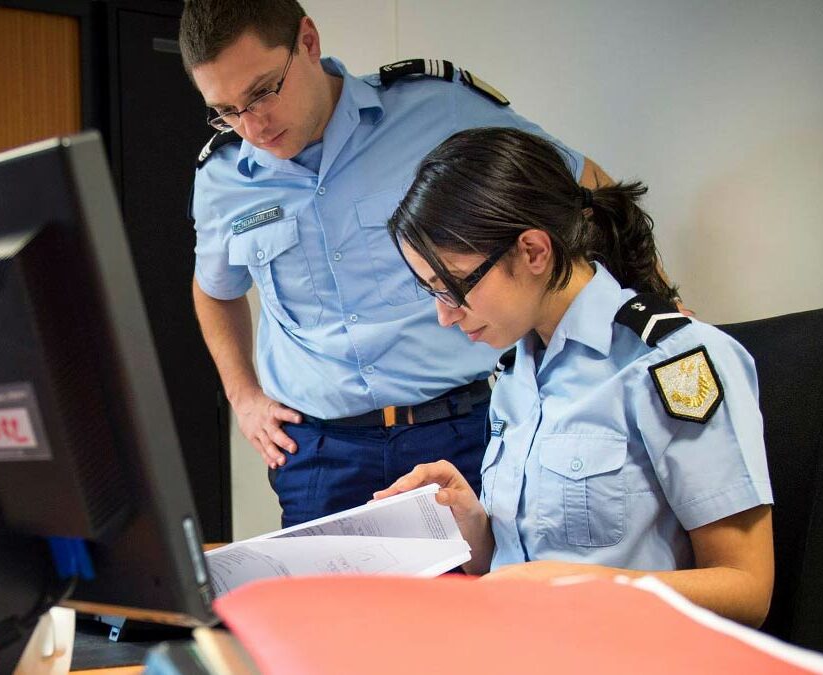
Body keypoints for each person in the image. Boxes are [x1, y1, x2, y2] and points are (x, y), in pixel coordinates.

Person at [180, 0, 615, 526]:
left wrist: (651, 312)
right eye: (226, 111)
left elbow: (587, 184)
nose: (252, 126)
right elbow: (215, 289)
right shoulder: (223, 176)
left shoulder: (438, 109)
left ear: (308, 42)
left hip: (461, 429)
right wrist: (243, 397)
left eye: (262, 91)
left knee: (492, 579)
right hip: (320, 454)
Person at [374, 127, 774, 627]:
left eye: (454, 287)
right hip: (518, 643)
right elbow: (526, 567)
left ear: (533, 251)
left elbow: (746, 591)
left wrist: (579, 590)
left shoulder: (670, 362)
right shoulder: (515, 375)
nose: (445, 315)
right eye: (433, 292)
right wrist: (475, 528)